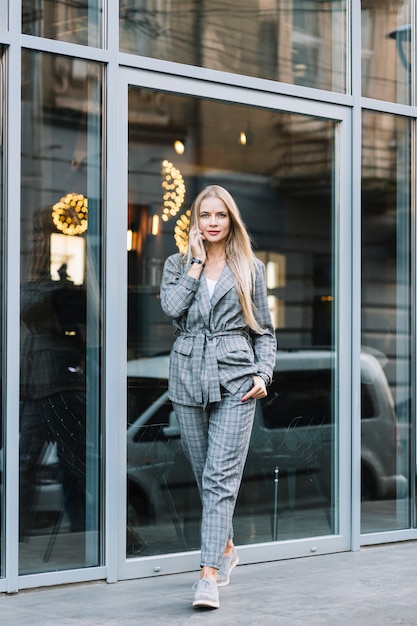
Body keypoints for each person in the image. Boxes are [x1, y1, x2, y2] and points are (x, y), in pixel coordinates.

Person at [160, 185, 277, 609]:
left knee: (219, 478)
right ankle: (226, 548)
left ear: (231, 220)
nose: (212, 222)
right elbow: (171, 308)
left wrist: (263, 373)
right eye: (205, 215)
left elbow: (264, 332)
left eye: (220, 215)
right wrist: (193, 266)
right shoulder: (176, 264)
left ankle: (207, 575)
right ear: (195, 220)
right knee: (203, 472)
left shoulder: (251, 268)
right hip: (188, 377)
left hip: (236, 379)